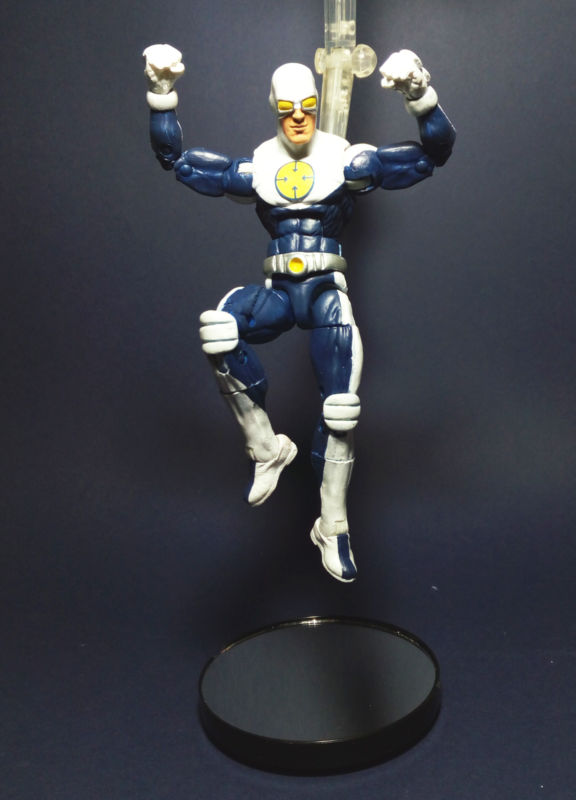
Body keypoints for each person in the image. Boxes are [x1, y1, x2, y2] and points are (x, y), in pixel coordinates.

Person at [143, 44, 455, 582]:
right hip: (279, 292)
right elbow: (180, 162)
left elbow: (432, 155)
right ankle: (267, 448)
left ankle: (332, 525)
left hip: (326, 292)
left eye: (307, 107)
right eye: (287, 109)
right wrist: (162, 94)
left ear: (315, 104)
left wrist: (419, 93)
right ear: (274, 108)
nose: (298, 119)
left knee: (340, 410)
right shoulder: (259, 166)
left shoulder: (346, 160)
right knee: (219, 327)